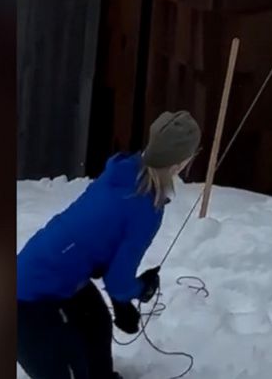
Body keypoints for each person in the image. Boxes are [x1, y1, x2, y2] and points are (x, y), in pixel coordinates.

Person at [16, 111, 201, 379]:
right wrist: (141, 289)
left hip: (49, 273)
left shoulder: (122, 170)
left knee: (96, 322)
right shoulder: (145, 208)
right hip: (28, 299)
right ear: (181, 162)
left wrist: (122, 303)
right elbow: (119, 281)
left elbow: (104, 249)